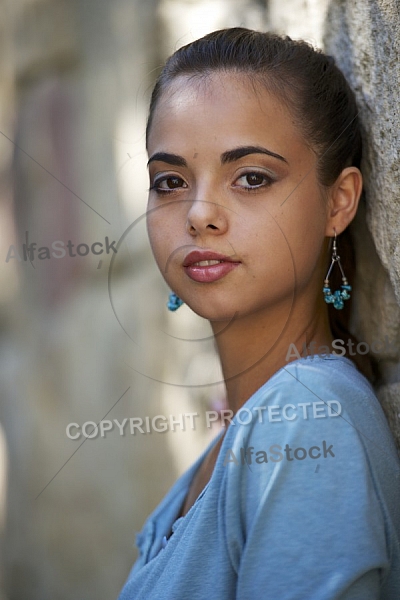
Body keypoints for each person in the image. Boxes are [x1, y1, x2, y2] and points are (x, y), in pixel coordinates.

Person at [118, 28, 400, 599]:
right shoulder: (237, 442)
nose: (198, 215)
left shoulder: (304, 416)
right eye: (169, 181)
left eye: (251, 177)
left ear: (338, 201)